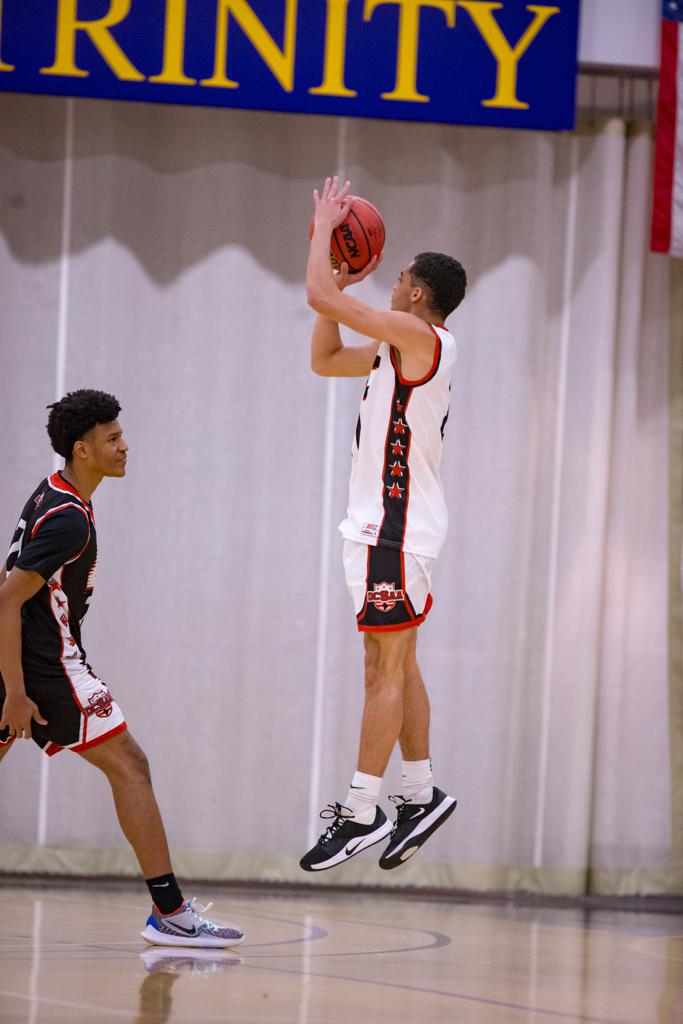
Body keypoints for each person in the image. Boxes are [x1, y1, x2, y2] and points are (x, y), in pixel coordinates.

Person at [0, 389, 244, 948]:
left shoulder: (52, 490)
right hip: (46, 670)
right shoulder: (68, 520)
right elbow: (8, 600)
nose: (124, 446)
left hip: (22, 658)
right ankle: (171, 913)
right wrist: (16, 691)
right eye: (113, 439)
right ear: (82, 450)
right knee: (131, 765)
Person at [301, 177, 467, 873]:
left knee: (384, 670)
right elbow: (323, 357)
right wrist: (337, 285)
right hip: (385, 531)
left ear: (418, 294)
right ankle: (419, 794)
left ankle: (360, 809)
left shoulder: (418, 335)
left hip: (392, 533)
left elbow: (318, 296)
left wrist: (321, 236)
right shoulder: (393, 348)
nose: (390, 280)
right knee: (392, 662)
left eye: (398, 277)